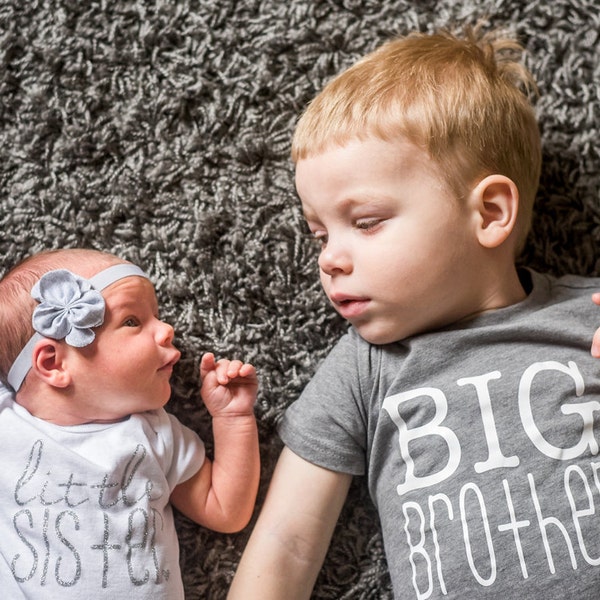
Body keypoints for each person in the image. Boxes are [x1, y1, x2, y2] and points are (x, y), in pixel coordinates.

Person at [228, 25, 600, 599]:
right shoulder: (365, 368)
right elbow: (286, 542)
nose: (330, 259)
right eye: (319, 234)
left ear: (490, 212)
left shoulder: (587, 315)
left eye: (367, 222)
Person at [0, 248, 260, 599]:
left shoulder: (155, 434)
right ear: (53, 363)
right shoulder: (8, 428)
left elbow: (227, 511)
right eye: (133, 321)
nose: (168, 329)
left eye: (156, 315)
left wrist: (233, 419)